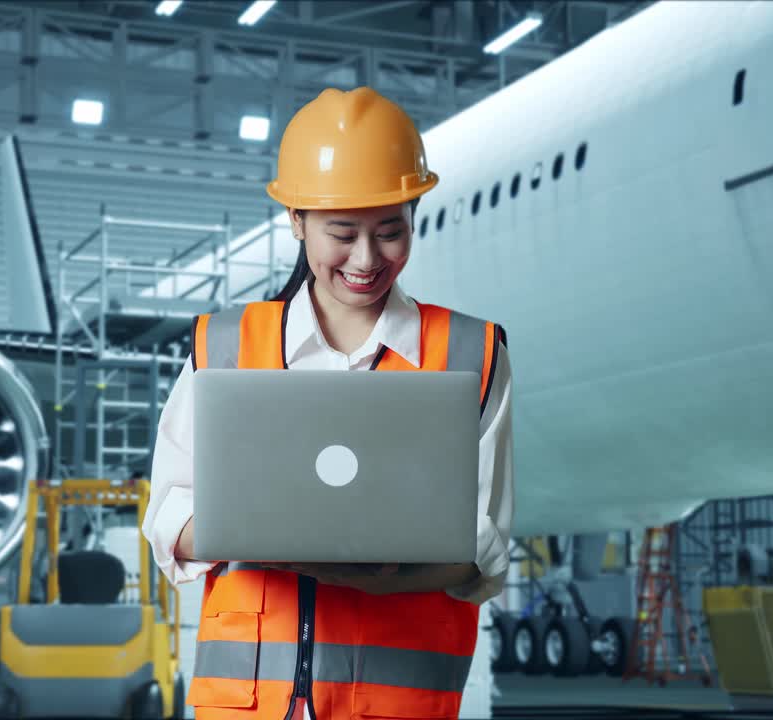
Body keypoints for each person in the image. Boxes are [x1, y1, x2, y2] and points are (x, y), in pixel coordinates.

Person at [141, 86, 514, 720]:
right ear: (296, 222)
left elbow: (484, 543)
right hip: (247, 705)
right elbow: (168, 517)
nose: (368, 260)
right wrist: (267, 537)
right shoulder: (225, 346)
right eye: (342, 233)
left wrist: (382, 573)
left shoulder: (470, 353)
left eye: (392, 232)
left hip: (397, 707)